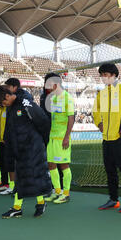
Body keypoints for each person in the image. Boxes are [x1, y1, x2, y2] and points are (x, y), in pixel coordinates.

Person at [0, 85, 51, 218]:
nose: (4, 105)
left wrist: (40, 141)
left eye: (3, 102)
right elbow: (10, 127)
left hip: (33, 147)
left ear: (7, 96)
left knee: (34, 175)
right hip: (20, 147)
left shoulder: (25, 103)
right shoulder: (11, 107)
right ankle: (25, 206)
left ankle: (23, 206)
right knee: (24, 176)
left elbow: (43, 121)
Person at [93, 63, 121, 213]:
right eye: (101, 75)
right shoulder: (102, 94)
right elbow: (95, 111)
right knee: (110, 170)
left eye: (105, 75)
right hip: (107, 139)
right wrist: (99, 124)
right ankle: (113, 199)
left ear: (114, 75)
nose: (103, 78)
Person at [0, 78, 34, 197]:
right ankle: (13, 187)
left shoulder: (25, 97)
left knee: (24, 163)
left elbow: (30, 116)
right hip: (11, 135)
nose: (5, 91)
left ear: (14, 87)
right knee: (10, 162)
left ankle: (28, 188)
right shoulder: (9, 99)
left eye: (7, 87)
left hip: (23, 136)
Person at [43, 73, 75, 204]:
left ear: (55, 84)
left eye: (49, 86)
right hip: (52, 137)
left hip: (62, 138)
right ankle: (57, 191)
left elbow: (71, 118)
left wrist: (66, 137)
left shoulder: (67, 98)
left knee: (63, 165)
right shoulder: (52, 98)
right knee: (51, 164)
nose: (48, 89)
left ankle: (66, 193)